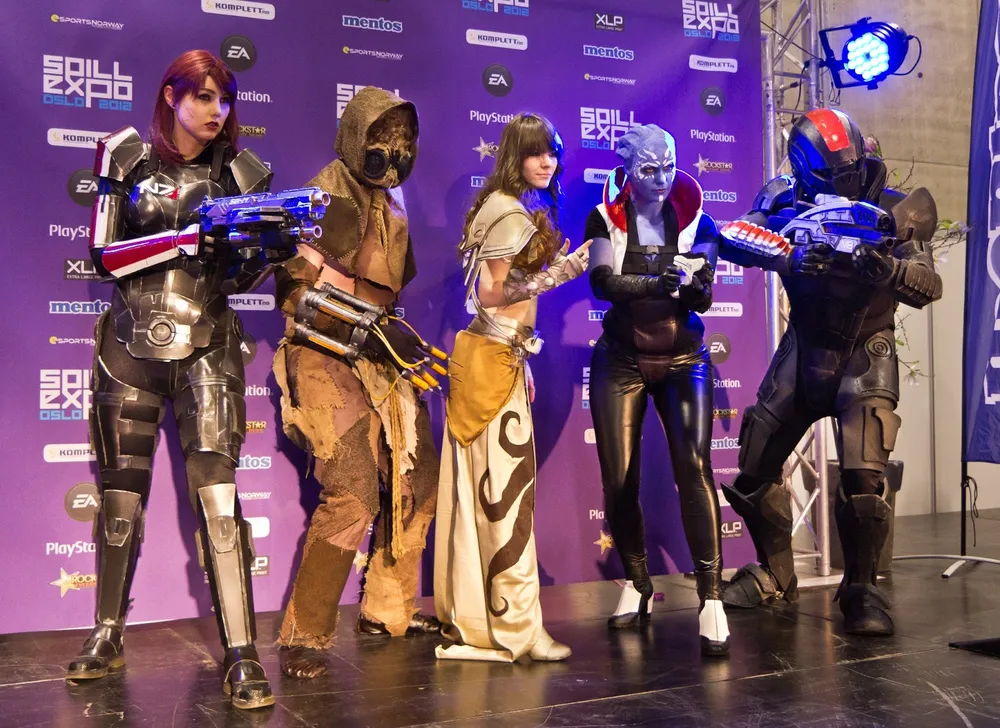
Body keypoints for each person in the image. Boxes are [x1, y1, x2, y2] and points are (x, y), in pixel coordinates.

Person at [68, 50, 291, 709]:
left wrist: (263, 251)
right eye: (202, 96)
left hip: (208, 346)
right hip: (128, 346)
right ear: (170, 96)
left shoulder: (244, 175)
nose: (216, 110)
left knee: (219, 496)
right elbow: (103, 255)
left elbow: (240, 274)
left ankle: (242, 651)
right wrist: (183, 240)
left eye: (224, 98)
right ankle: (107, 632)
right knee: (119, 496)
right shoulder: (126, 157)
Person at [718, 109, 943, 636]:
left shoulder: (893, 208)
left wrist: (888, 268)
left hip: (867, 354)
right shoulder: (784, 198)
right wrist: (787, 256)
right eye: (833, 174)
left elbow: (928, 284)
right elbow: (733, 238)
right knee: (753, 469)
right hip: (805, 349)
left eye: (851, 170)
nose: (846, 182)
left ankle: (861, 588)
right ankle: (776, 573)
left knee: (864, 478)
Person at [272, 87, 442, 679]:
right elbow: (294, 295)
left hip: (378, 356)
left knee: (418, 479)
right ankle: (305, 633)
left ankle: (387, 609)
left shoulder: (394, 210)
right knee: (352, 489)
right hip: (320, 355)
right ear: (354, 138)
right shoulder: (321, 198)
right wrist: (364, 330)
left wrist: (389, 337)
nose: (392, 157)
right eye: (381, 142)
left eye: (402, 145)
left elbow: (385, 295)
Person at [433, 113, 590, 663]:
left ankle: (485, 623)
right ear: (514, 156)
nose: (548, 162)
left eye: (553, 152)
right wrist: (565, 270)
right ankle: (517, 631)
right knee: (506, 501)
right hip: (493, 362)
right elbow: (493, 295)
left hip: (497, 357)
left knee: (493, 498)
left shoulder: (502, 206)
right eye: (536, 152)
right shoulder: (507, 211)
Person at [584, 124, 730, 656]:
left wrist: (696, 283)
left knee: (694, 467)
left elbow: (703, 297)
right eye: (648, 169)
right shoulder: (605, 215)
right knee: (619, 477)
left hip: (685, 356)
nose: (661, 178)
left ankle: (711, 598)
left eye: (668, 165)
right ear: (627, 170)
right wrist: (659, 282)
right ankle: (638, 582)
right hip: (620, 357)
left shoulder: (699, 217)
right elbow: (601, 281)